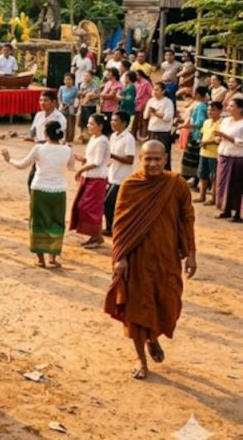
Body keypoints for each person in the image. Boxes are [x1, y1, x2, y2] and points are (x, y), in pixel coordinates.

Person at [103, 140, 197, 380]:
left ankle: (152, 338)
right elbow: (120, 225)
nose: (153, 163)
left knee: (166, 304)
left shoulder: (177, 185)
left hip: (167, 260)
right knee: (136, 309)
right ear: (140, 159)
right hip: (137, 260)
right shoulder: (131, 185)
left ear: (165, 159)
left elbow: (187, 220)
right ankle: (140, 359)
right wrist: (120, 257)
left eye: (157, 159)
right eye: (148, 159)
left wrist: (192, 254)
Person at [2, 121, 74, 268]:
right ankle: (52, 257)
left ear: (46, 134)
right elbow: (71, 167)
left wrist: (9, 159)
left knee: (38, 222)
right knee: (56, 222)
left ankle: (40, 259)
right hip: (59, 191)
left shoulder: (39, 148)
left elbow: (22, 165)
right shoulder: (67, 150)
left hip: (40, 189)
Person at [70, 113, 111, 248]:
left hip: (97, 177)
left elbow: (97, 162)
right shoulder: (94, 138)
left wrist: (80, 170)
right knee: (85, 205)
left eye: (91, 124)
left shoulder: (102, 140)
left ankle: (96, 236)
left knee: (89, 207)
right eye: (88, 123)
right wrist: (80, 159)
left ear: (100, 126)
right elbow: (92, 159)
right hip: (90, 176)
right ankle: (96, 235)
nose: (88, 126)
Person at [105, 111, 137, 238]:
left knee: (110, 203)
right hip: (112, 174)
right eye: (112, 120)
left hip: (122, 177)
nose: (112, 123)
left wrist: (112, 156)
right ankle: (110, 227)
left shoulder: (128, 139)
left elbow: (130, 160)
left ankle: (114, 228)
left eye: (115, 120)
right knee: (109, 204)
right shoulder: (113, 136)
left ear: (124, 123)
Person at [212, 97, 243, 222]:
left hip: (238, 157)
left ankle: (237, 212)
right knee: (223, 184)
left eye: (232, 106)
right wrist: (219, 138)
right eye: (228, 106)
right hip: (224, 154)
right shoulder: (225, 121)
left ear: (240, 109)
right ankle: (226, 209)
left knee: (236, 185)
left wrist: (227, 137)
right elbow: (221, 136)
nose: (228, 108)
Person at [179, 87, 209, 182]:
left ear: (198, 95)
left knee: (193, 159)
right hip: (195, 133)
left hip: (196, 135)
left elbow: (200, 122)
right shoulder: (200, 105)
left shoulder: (200, 106)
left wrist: (187, 126)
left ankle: (193, 179)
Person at [196, 101, 222, 205]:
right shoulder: (206, 122)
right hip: (204, 152)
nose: (210, 112)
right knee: (203, 175)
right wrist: (202, 142)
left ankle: (213, 197)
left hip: (214, 153)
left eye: (213, 110)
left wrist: (206, 142)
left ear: (220, 111)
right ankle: (202, 195)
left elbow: (219, 139)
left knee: (214, 177)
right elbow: (203, 134)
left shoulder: (221, 123)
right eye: (209, 110)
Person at [144, 86, 176, 170]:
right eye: (154, 89)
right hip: (152, 130)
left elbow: (168, 117)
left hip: (163, 132)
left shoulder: (168, 102)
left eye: (157, 89)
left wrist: (156, 113)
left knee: (163, 155)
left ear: (163, 91)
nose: (154, 92)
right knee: (150, 154)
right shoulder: (151, 101)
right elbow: (145, 116)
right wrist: (150, 113)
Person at [59, 73, 80, 142]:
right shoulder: (62, 88)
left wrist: (75, 107)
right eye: (66, 79)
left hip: (71, 106)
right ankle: (63, 137)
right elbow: (59, 98)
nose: (67, 81)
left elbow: (77, 98)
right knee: (63, 121)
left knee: (70, 122)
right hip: (63, 106)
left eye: (69, 79)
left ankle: (70, 138)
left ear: (72, 80)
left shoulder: (75, 88)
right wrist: (61, 104)